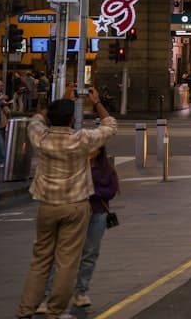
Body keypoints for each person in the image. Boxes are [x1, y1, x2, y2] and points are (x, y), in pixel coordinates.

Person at [16, 89, 117, 319]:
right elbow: (110, 126)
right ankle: (55, 311)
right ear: (72, 119)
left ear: (51, 118)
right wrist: (97, 101)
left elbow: (36, 120)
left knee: (40, 259)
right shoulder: (80, 139)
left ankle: (25, 309)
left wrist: (56, 100)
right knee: (67, 261)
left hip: (47, 205)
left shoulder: (41, 137)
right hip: (75, 205)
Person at [37, 145, 120, 312]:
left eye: (94, 149)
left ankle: (81, 291)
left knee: (90, 252)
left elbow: (111, 191)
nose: (90, 152)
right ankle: (49, 295)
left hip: (98, 214)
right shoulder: (73, 167)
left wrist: (90, 191)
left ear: (99, 151)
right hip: (74, 213)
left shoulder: (106, 168)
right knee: (62, 254)